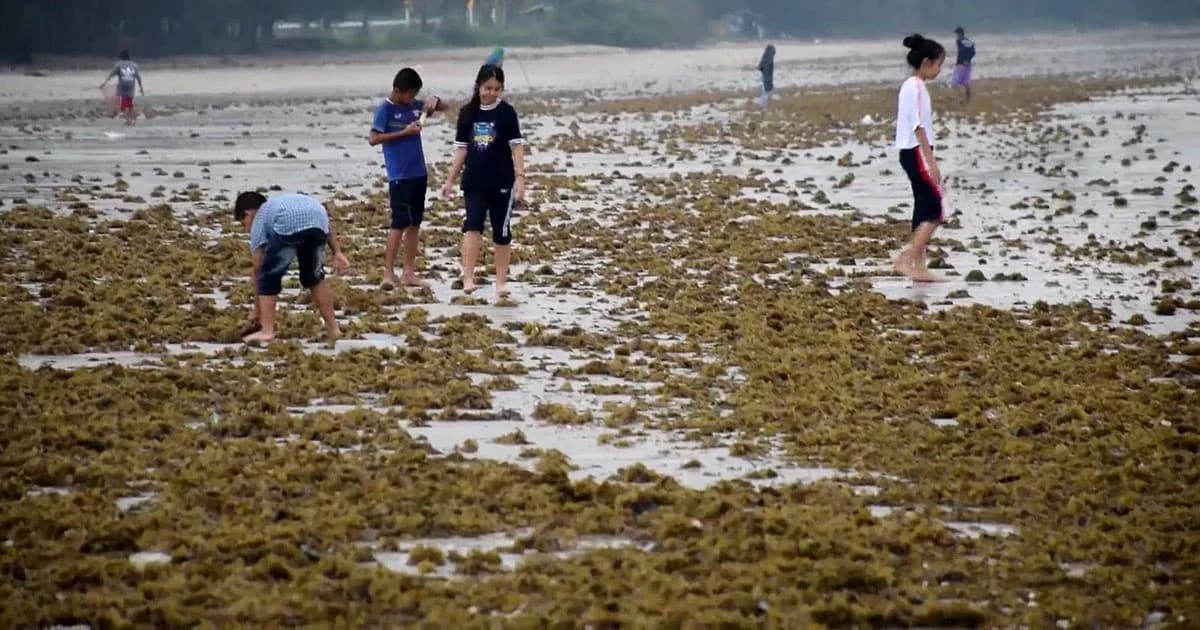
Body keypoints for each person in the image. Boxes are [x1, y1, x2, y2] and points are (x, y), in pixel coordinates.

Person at [440, 64, 526, 301]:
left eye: (497, 89)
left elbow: (516, 146)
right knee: (473, 225)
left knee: (502, 231)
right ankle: (468, 276)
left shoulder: (507, 113)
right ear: (478, 85)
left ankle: (501, 282)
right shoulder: (468, 113)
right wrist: (449, 181)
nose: (491, 93)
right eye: (488, 88)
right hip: (474, 181)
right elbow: (461, 151)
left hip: (502, 180)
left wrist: (520, 178)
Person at [367, 67, 447, 290]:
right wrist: (404, 132)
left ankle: (409, 272)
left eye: (415, 95)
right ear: (398, 90)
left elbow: (445, 108)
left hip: (418, 172)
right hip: (399, 175)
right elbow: (373, 139)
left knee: (414, 224)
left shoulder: (414, 106)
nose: (412, 99)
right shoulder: (386, 109)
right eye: (410, 95)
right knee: (398, 224)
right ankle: (388, 272)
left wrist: (435, 101)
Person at [234, 192, 350, 343]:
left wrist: (257, 311)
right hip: (318, 219)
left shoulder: (261, 216)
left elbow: (258, 268)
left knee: (269, 276)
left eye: (244, 224)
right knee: (315, 278)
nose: (246, 230)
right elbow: (326, 226)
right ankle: (333, 329)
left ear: (248, 213)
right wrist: (337, 252)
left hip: (288, 223)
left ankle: (267, 331)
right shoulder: (281, 203)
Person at [893, 34, 947, 283]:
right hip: (916, 151)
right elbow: (917, 125)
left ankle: (918, 265)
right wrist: (931, 161)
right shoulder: (914, 87)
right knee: (935, 207)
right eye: (939, 65)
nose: (939, 70)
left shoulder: (912, 86)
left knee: (922, 205)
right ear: (927, 62)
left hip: (911, 152)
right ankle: (907, 258)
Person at [100, 49, 143, 126]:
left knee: (123, 106)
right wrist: (141, 88)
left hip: (123, 86)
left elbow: (111, 74)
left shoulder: (118, 64)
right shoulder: (134, 65)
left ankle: (128, 120)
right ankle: (132, 120)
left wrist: (104, 82)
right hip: (131, 86)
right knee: (129, 104)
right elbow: (138, 77)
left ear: (121, 57)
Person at [951, 26, 975, 105]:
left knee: (954, 83)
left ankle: (961, 98)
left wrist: (963, 60)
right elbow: (973, 52)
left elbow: (962, 51)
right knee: (965, 83)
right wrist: (968, 60)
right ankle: (968, 100)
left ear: (959, 33)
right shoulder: (970, 42)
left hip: (961, 64)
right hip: (968, 64)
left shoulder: (959, 41)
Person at [757, 44, 775, 110]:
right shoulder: (768, 61)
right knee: (765, 93)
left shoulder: (766, 59)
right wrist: (768, 82)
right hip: (765, 79)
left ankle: (763, 106)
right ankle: (763, 106)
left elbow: (760, 67)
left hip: (765, 78)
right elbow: (767, 72)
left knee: (765, 93)